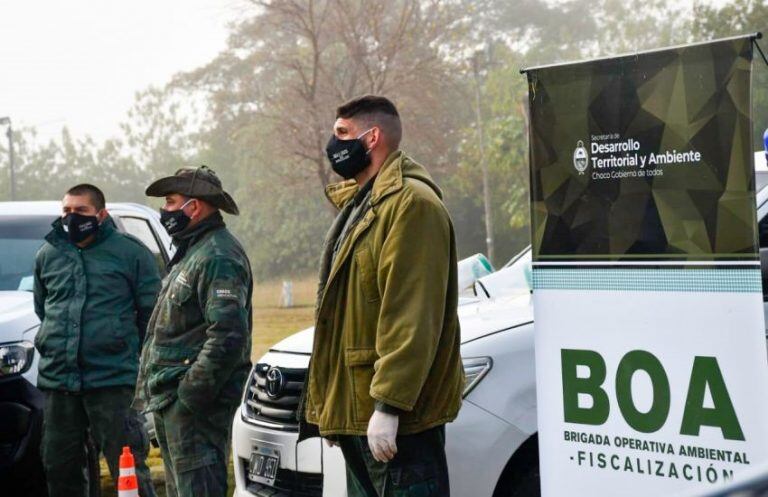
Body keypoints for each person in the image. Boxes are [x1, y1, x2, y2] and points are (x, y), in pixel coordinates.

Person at [301, 95, 465, 496]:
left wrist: (388, 405)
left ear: (372, 138)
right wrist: (334, 408)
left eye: (342, 134)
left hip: (399, 422)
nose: (333, 144)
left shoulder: (412, 205)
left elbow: (411, 315)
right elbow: (347, 314)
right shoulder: (362, 204)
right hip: (360, 413)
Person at [33, 184, 160, 497]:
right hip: (60, 383)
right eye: (67, 211)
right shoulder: (48, 254)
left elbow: (153, 316)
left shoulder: (130, 253)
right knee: (59, 468)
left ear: (101, 214)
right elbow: (43, 307)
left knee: (127, 467)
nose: (72, 218)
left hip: (113, 381)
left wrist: (129, 354)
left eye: (81, 211)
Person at [133, 166, 253, 497]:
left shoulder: (218, 255)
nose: (165, 211)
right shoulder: (193, 251)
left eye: (171, 202)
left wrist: (187, 399)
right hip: (174, 404)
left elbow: (228, 337)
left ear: (195, 207)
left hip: (195, 409)